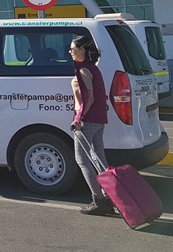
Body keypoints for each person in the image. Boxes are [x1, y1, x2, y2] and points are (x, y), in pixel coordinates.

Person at [70, 35, 114, 216]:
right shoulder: (93, 69)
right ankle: (110, 196)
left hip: (87, 120)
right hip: (99, 119)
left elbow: (89, 98)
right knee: (99, 158)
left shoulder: (83, 70)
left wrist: (79, 118)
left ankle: (99, 200)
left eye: (73, 49)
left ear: (83, 51)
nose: (70, 52)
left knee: (82, 160)